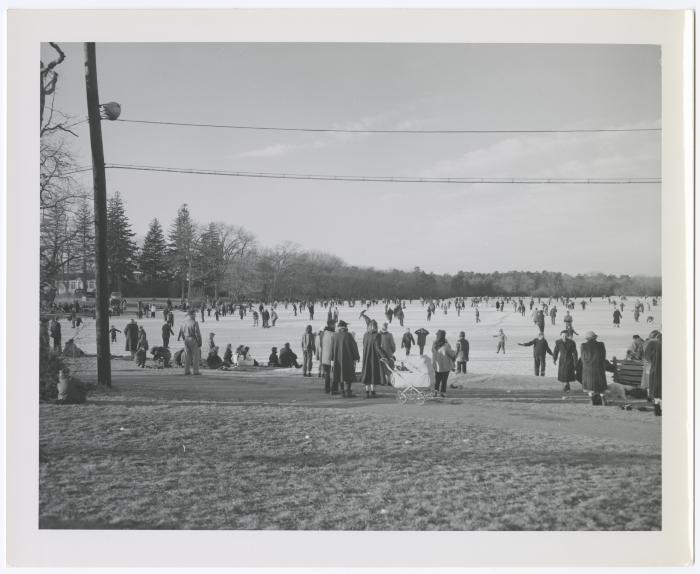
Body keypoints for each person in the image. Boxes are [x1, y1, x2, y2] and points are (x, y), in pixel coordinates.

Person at [331, 320, 360, 398]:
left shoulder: (335, 335)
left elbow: (332, 347)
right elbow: (354, 346)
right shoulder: (348, 335)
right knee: (348, 375)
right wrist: (356, 356)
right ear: (345, 327)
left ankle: (342, 391)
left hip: (338, 359)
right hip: (348, 359)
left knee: (340, 374)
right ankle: (348, 391)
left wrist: (332, 358)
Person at [361, 320, 388, 398]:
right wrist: (384, 356)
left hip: (366, 357)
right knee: (372, 373)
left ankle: (367, 392)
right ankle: (372, 392)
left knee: (367, 373)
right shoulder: (377, 335)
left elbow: (364, 345)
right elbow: (378, 347)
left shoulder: (365, 335)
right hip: (373, 357)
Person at [580, 331, 607, 405]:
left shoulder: (583, 345)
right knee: (601, 386)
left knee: (590, 386)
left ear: (587, 338)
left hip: (588, 369)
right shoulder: (601, 344)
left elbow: (583, 358)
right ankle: (603, 399)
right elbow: (603, 356)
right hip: (599, 368)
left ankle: (592, 400)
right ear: (595, 337)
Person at [431, 330, 456, 397]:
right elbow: (452, 354)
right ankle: (442, 392)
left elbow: (432, 351)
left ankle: (435, 391)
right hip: (445, 366)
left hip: (437, 366)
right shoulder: (446, 345)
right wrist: (456, 352)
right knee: (444, 380)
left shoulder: (434, 345)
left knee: (437, 379)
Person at [178, 309, 202, 375]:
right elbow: (197, 333)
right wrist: (200, 342)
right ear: (192, 315)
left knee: (187, 356)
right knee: (195, 356)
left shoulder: (183, 322)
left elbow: (182, 332)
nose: (195, 316)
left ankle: (186, 371)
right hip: (193, 339)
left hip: (186, 339)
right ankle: (195, 371)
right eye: (194, 314)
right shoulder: (194, 322)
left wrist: (184, 339)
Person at [644, 330, 662, 416]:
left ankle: (657, 408)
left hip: (655, 370)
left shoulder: (652, 343)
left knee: (656, 389)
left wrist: (653, 361)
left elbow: (647, 357)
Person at [317, 321, 336, 393]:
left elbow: (320, 345)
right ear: (331, 325)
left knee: (327, 374)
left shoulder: (323, 333)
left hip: (324, 357)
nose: (335, 326)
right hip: (330, 357)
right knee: (331, 373)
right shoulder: (332, 334)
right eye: (334, 324)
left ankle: (327, 389)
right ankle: (332, 389)